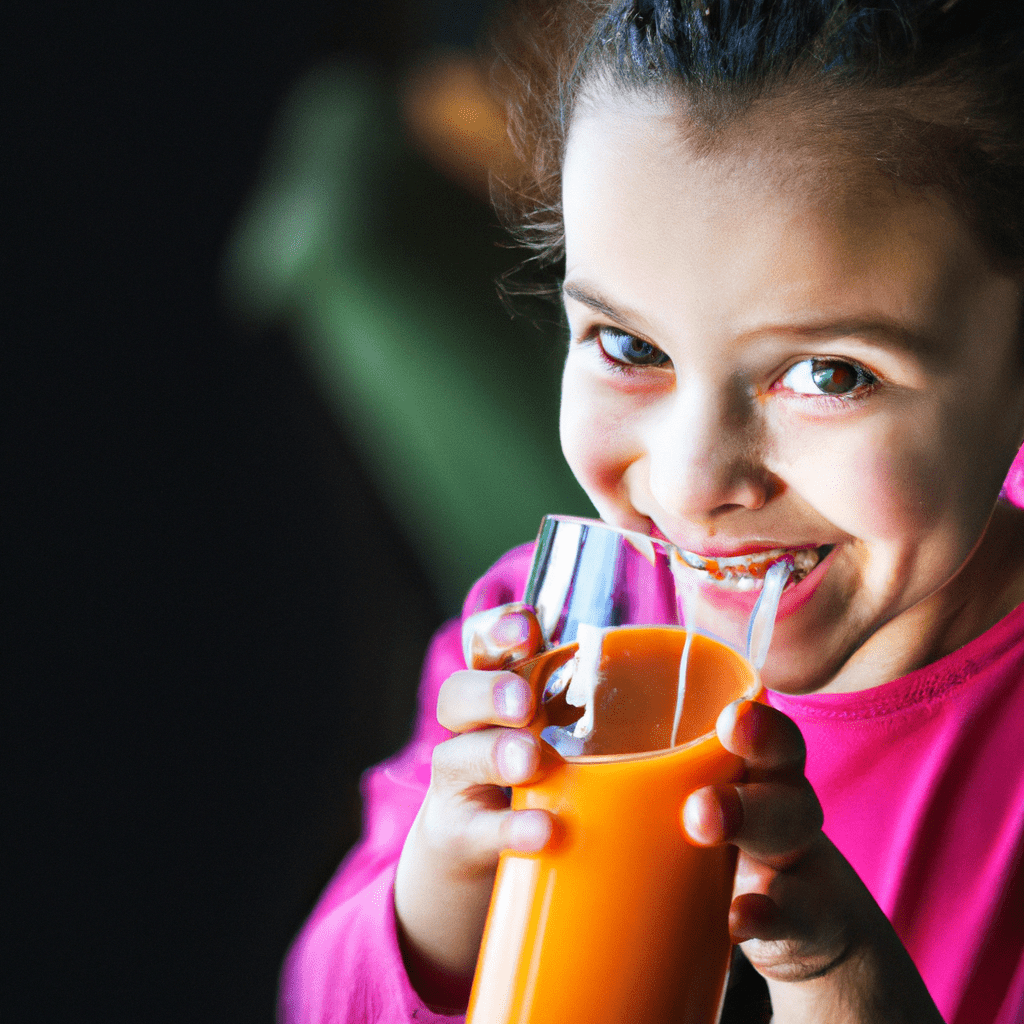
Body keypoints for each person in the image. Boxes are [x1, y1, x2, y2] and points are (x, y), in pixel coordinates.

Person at [278, 1, 1024, 1021]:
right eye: (629, 349)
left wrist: (836, 975)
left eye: (828, 372)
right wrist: (444, 896)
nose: (687, 486)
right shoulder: (541, 652)